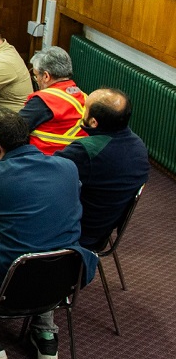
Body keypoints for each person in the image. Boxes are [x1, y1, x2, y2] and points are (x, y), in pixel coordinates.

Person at [0, 109, 96, 359]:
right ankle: (45, 334)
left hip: (1, 288)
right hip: (60, 284)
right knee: (44, 243)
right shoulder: (68, 168)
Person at [54, 88, 150, 249]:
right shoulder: (138, 146)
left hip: (77, 234)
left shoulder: (87, 152)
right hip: (104, 229)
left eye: (85, 108)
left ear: (93, 122)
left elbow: (44, 174)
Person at [19, 46, 87, 155]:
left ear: (46, 76)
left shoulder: (44, 101)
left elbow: (13, 129)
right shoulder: (84, 97)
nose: (37, 81)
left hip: (44, 161)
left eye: (36, 76)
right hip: (76, 162)